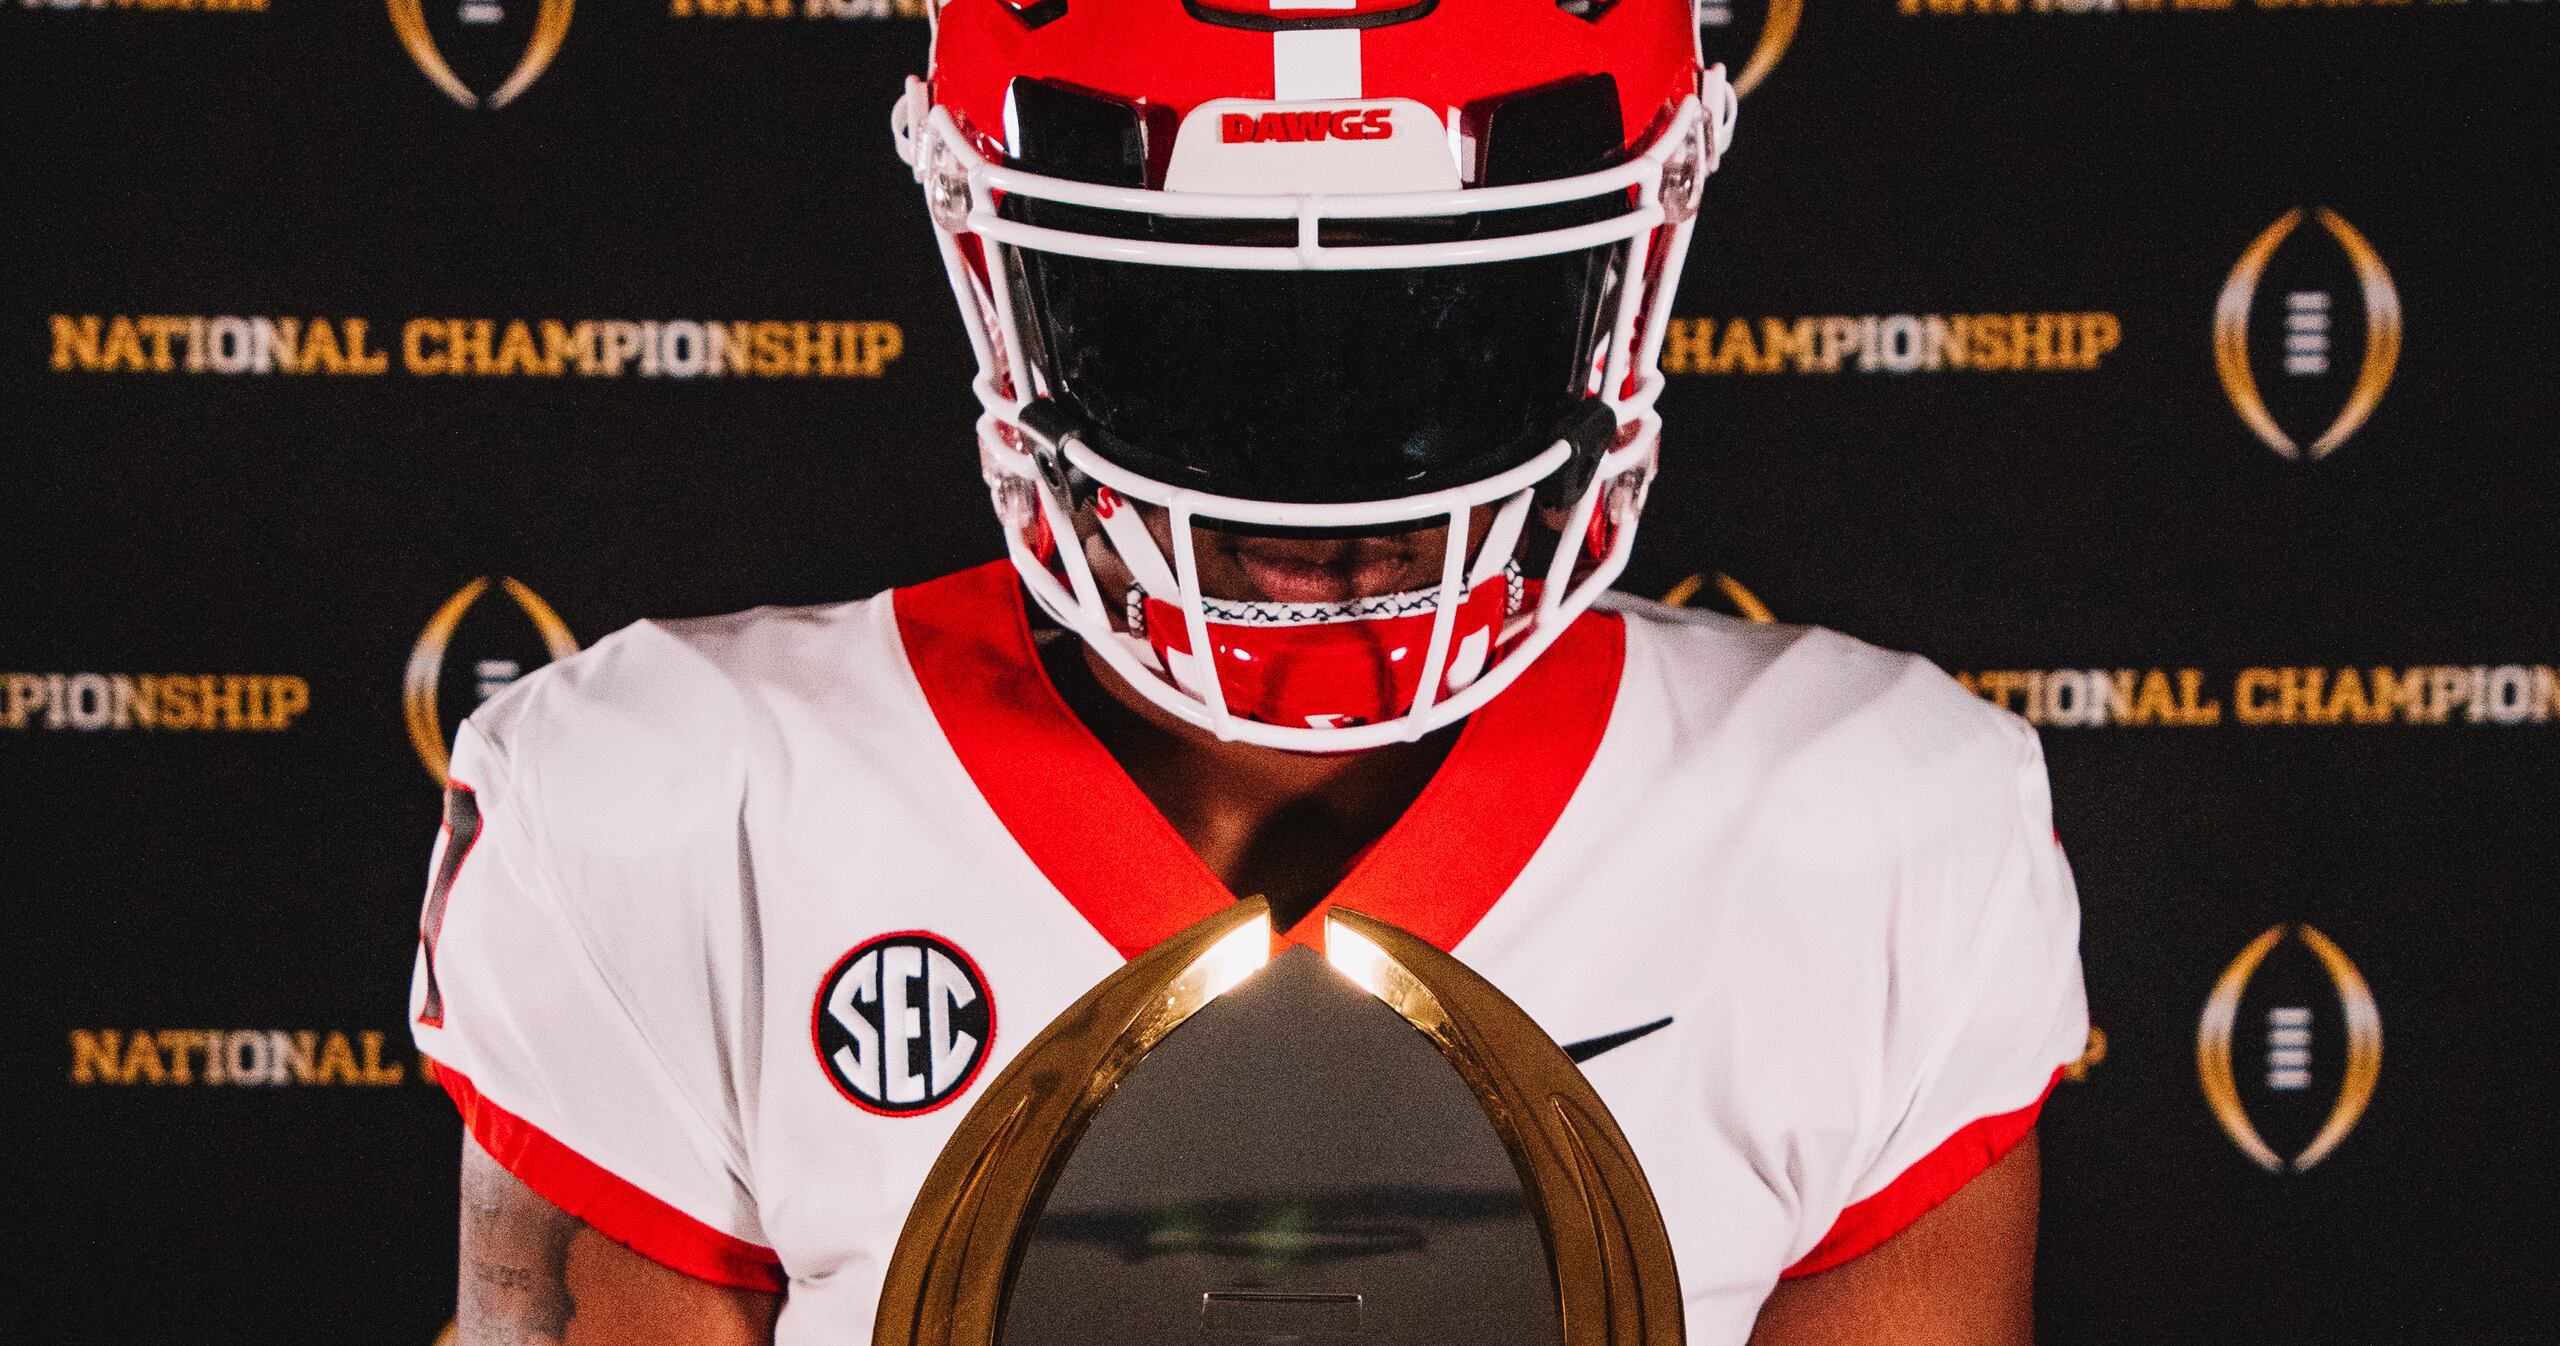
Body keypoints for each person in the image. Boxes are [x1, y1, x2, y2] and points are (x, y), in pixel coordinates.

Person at [412, 2, 2088, 1343]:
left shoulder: (1872, 831)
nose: (1320, 489)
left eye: (1447, 332)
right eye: (1197, 338)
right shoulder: (670, 810)